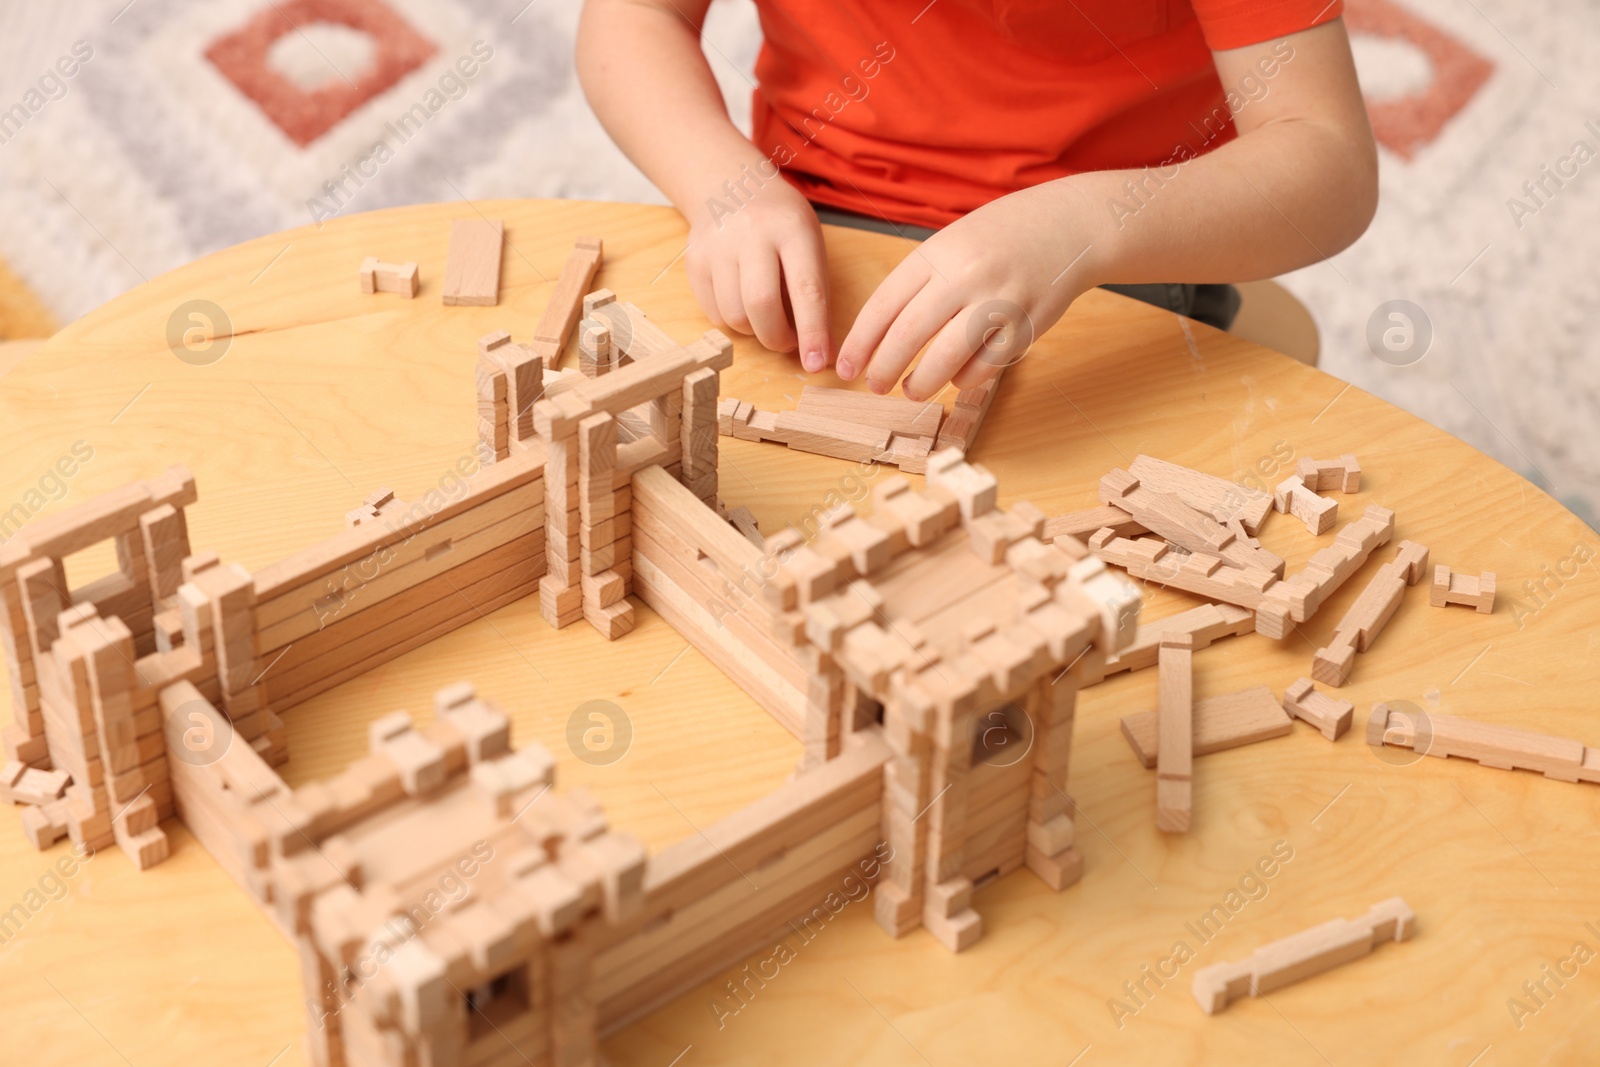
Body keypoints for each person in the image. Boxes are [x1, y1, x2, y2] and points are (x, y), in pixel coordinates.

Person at [576, 1, 1375, 403]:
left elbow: (1326, 156)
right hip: (806, 227)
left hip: (1113, 260)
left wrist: (1085, 225)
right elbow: (637, 15)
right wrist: (723, 186)